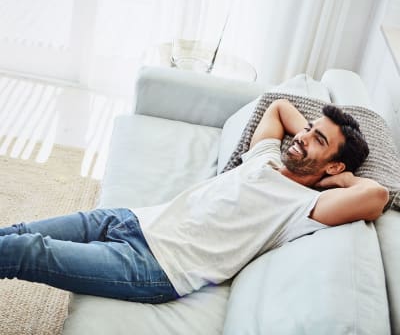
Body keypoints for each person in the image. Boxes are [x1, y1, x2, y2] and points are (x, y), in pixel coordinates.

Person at [0, 100, 389, 304]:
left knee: (27, 251)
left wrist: (345, 178)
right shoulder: (265, 158)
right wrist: (317, 132)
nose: (302, 136)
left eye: (318, 140)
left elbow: (377, 196)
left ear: (335, 163)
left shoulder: (303, 208)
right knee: (17, 233)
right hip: (132, 220)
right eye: (307, 129)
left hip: (153, 267)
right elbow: (279, 108)